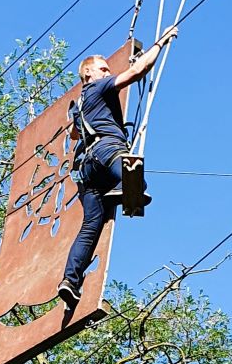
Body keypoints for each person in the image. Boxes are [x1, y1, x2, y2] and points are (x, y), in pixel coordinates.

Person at [58, 25, 179, 308]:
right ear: (88, 73)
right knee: (137, 181)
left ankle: (69, 280)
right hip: (107, 150)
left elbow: (75, 134)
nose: (107, 71)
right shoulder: (98, 86)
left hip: (87, 169)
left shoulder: (80, 105)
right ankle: (122, 188)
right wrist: (160, 43)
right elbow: (137, 73)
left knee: (90, 228)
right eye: (103, 68)